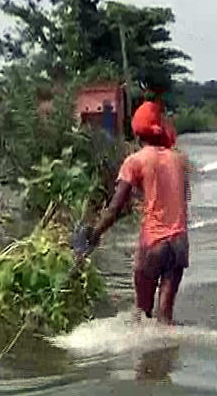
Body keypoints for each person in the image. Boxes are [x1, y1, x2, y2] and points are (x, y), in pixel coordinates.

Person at [75, 100, 191, 324]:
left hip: (154, 243)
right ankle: (167, 357)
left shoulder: (135, 161)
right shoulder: (179, 160)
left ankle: (146, 359)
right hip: (179, 244)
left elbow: (115, 209)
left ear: (137, 134)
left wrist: (93, 235)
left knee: (142, 314)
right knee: (165, 319)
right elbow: (184, 200)